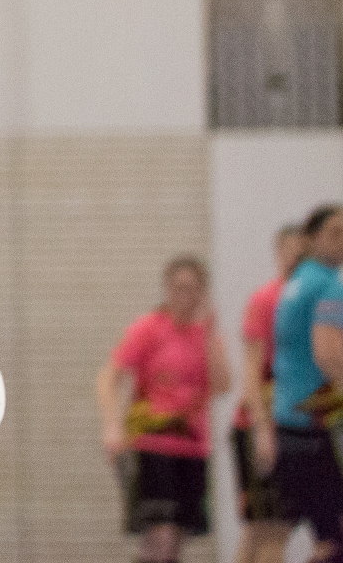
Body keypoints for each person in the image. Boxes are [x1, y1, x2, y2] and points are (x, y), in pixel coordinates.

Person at [97, 256, 233, 563]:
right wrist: (112, 426)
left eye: (191, 289)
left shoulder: (206, 336)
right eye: (177, 288)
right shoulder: (149, 328)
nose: (184, 296)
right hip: (152, 445)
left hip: (193, 447)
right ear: (167, 289)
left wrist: (210, 335)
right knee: (161, 536)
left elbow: (222, 385)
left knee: (176, 542)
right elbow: (108, 379)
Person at [268, 205, 343, 560]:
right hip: (317, 427)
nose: (342, 241)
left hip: (291, 422)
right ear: (311, 240)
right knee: (333, 540)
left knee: (323, 537)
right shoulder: (328, 284)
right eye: (335, 233)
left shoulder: (297, 282)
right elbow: (328, 352)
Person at [235, 224, 305, 563]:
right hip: (263, 426)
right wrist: (263, 429)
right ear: (278, 254)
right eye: (289, 250)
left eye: (302, 251)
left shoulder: (317, 299)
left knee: (264, 531)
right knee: (270, 528)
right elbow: (250, 372)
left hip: (300, 426)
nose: (296, 257)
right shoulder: (266, 300)